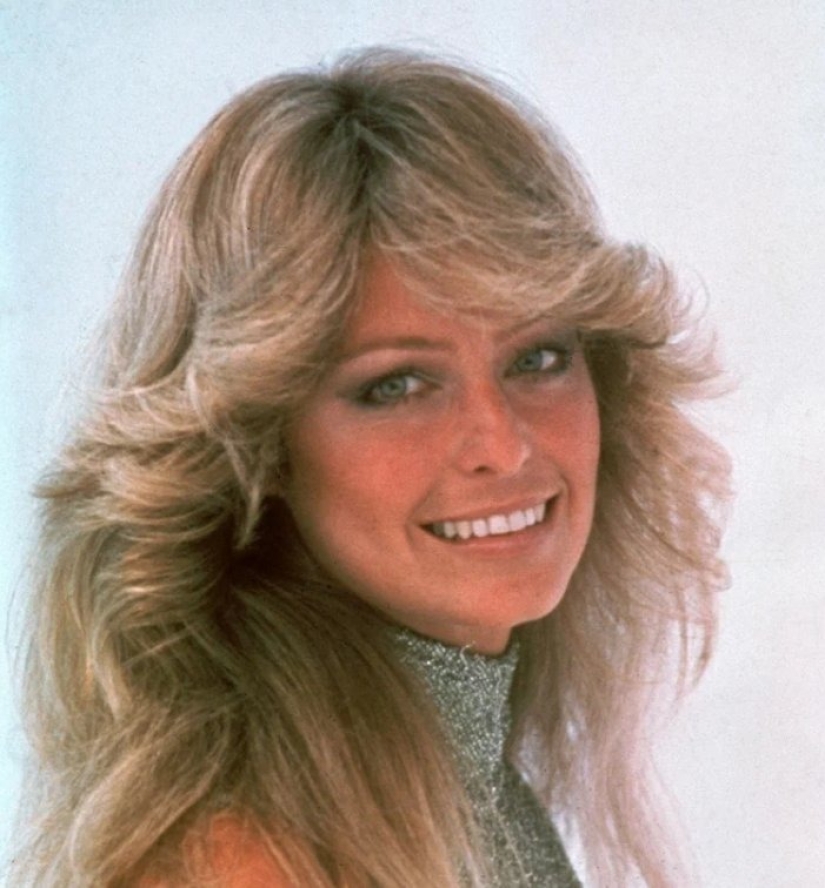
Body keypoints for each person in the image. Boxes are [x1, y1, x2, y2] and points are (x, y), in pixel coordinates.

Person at [10, 48, 730, 887]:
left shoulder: (460, 779)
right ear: (259, 445)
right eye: (397, 385)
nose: (502, 443)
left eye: (536, 359)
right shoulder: (238, 857)